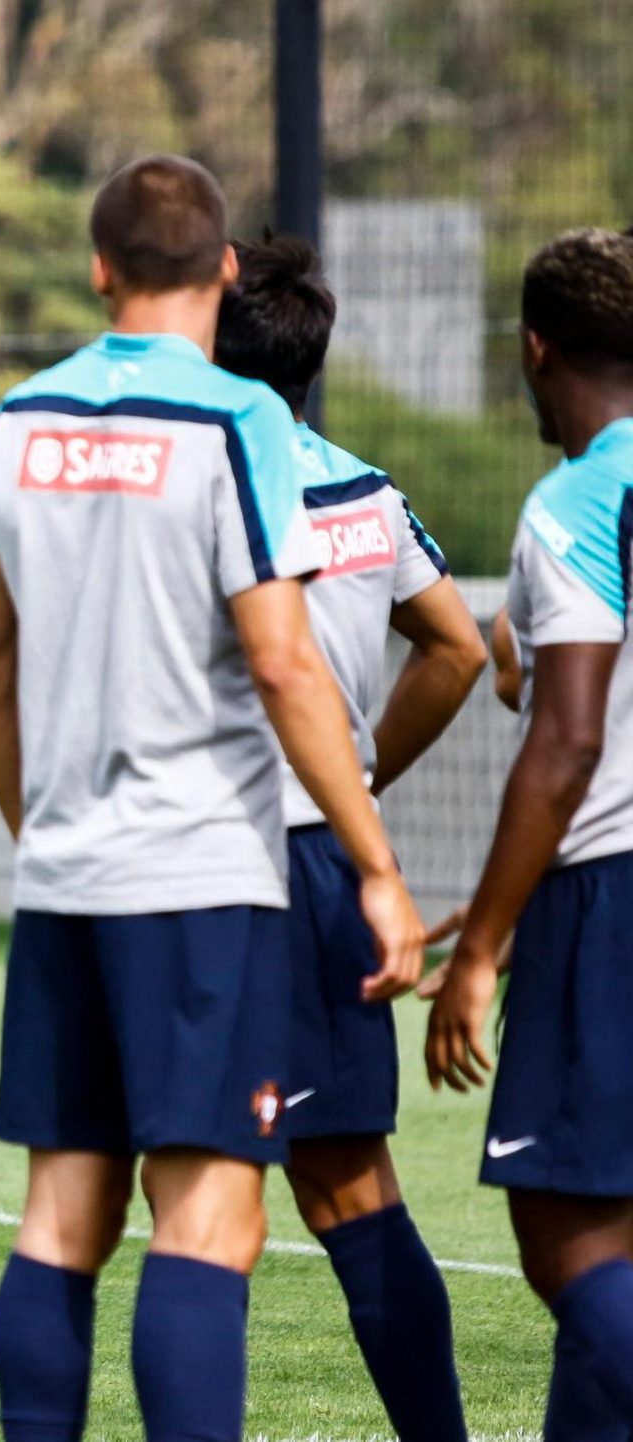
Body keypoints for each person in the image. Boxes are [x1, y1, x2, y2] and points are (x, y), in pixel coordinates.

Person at [0, 156, 424, 1442]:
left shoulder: (10, 425)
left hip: (65, 875)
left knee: (63, 1211)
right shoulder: (243, 422)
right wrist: (376, 865)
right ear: (222, 272)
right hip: (204, 879)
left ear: (99, 268)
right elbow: (282, 659)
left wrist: (35, 826)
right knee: (209, 1214)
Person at [212, 233, 482, 1440]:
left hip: (206, 853)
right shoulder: (364, 490)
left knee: (189, 1195)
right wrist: (360, 780)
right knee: (350, 1182)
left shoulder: (201, 476)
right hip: (328, 859)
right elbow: (461, 647)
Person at [429, 225, 633, 1440]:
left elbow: (563, 742)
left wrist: (482, 946)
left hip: (608, 901)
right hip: (591, 879)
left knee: (564, 1237)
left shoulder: (575, 500)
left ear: (533, 345)